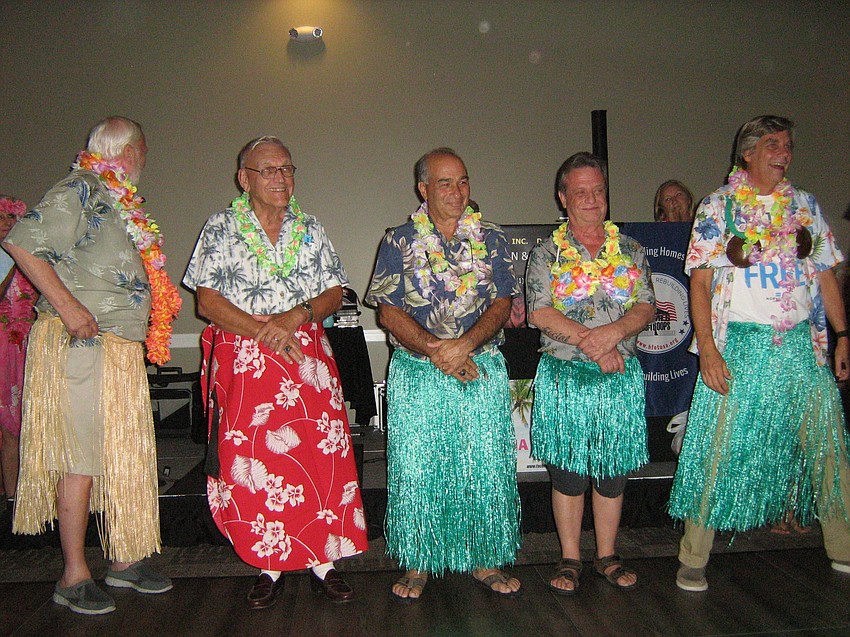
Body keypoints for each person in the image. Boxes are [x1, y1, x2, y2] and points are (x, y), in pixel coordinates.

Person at [3, 116, 181, 614]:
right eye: (143, 150)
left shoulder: (119, 200)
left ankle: (124, 561)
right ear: (128, 151)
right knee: (80, 457)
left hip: (119, 349)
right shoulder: (80, 187)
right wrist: (67, 305)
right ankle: (73, 574)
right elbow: (20, 241)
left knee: (122, 454)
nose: (145, 160)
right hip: (81, 344)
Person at [183, 136, 367, 609]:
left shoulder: (312, 228)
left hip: (306, 353)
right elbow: (207, 301)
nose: (281, 178)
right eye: (269, 170)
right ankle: (269, 563)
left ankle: (324, 560)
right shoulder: (221, 227)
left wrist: (296, 316)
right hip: (247, 357)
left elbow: (334, 292)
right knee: (257, 459)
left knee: (318, 455)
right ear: (244, 179)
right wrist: (264, 330)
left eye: (287, 168)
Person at [668, 115, 850, 592]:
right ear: (747, 152)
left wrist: (843, 334)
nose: (783, 152)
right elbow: (700, 282)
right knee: (714, 450)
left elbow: (827, 273)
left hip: (799, 346)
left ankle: (845, 549)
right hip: (740, 345)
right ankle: (694, 557)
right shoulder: (718, 206)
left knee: (829, 448)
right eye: (772, 143)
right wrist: (707, 348)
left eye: (788, 144)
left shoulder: (805, 205)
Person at [365, 147, 522, 601]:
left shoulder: (491, 238)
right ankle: (418, 561)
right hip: (419, 370)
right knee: (417, 469)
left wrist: (465, 346)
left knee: (485, 468)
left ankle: (487, 559)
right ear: (423, 190)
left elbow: (502, 302)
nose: (457, 191)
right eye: (445, 183)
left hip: (480, 366)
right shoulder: (398, 240)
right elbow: (388, 311)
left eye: (464, 181)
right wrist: (437, 351)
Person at [526, 152, 656, 595]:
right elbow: (540, 313)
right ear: (563, 198)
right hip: (568, 377)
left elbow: (645, 305)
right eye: (580, 192)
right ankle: (569, 557)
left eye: (597, 190)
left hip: (618, 379)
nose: (590, 199)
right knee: (567, 474)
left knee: (612, 471)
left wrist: (612, 334)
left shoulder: (632, 249)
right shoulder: (546, 253)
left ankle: (606, 555)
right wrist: (594, 342)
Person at [0, 195, 37, 507]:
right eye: (3, 219)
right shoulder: (10, 259)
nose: (9, 226)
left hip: (26, 343)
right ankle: (11, 497)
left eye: (13, 219)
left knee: (29, 420)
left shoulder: (28, 257)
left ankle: (29, 496)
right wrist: (12, 262)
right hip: (2, 346)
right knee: (7, 423)